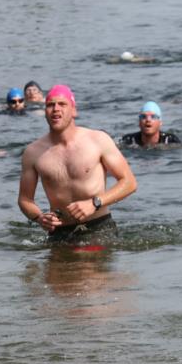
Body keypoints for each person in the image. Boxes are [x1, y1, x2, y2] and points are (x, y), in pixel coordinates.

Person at [18, 85, 137, 247]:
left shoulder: (98, 140)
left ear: (74, 110)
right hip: (59, 234)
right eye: (50, 105)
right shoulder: (33, 152)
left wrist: (95, 203)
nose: (56, 109)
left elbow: (129, 182)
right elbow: (25, 200)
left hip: (99, 227)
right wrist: (39, 218)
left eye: (62, 104)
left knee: (88, 261)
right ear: (45, 111)